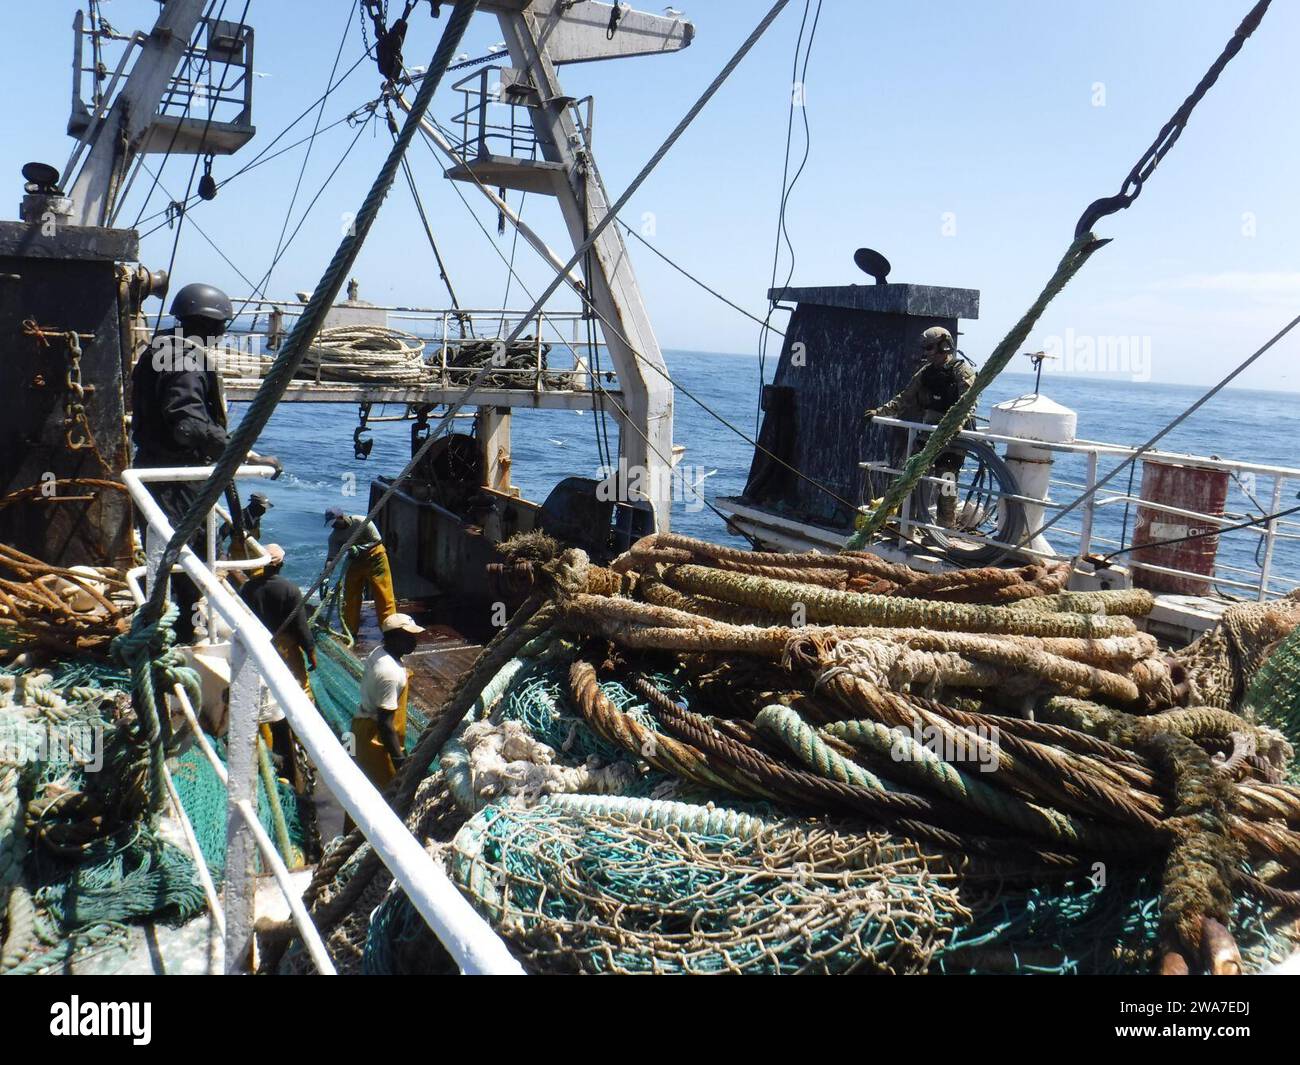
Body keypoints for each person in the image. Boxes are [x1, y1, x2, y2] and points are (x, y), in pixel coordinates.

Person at [130, 282, 281, 641]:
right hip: (175, 482)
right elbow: (187, 422)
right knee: (189, 559)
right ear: (210, 326)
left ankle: (171, 626)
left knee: (173, 556)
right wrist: (242, 452)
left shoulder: (162, 348)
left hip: (157, 470)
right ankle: (182, 637)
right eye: (221, 327)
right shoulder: (183, 358)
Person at [863, 326, 975, 528]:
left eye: (930, 347)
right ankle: (907, 526)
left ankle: (944, 532)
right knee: (912, 476)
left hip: (954, 437)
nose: (926, 353)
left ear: (944, 346)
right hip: (929, 432)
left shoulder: (962, 371)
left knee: (947, 483)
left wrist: (956, 424)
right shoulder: (926, 373)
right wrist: (879, 412)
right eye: (925, 348)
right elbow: (904, 398)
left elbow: (968, 402)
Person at [238, 543, 314, 791]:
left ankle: (268, 744)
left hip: (259, 646)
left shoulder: (248, 588)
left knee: (263, 694)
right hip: (284, 649)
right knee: (300, 691)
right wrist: (311, 653)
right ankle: (303, 742)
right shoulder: (290, 589)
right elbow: (302, 629)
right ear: (281, 563)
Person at [353, 612, 423, 793]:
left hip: (361, 727)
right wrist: (398, 760)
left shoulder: (380, 652)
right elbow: (385, 724)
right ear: (393, 638)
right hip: (375, 739)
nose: (414, 641)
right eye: (409, 637)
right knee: (382, 794)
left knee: (361, 786)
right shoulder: (390, 673)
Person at [325, 507, 397, 636]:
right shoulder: (334, 537)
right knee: (350, 596)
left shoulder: (362, 521)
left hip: (376, 559)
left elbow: (377, 540)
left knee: (383, 595)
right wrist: (326, 575)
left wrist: (360, 547)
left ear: (341, 517)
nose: (334, 526)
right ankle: (350, 631)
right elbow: (331, 558)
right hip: (355, 562)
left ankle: (390, 630)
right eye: (331, 525)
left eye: (335, 523)